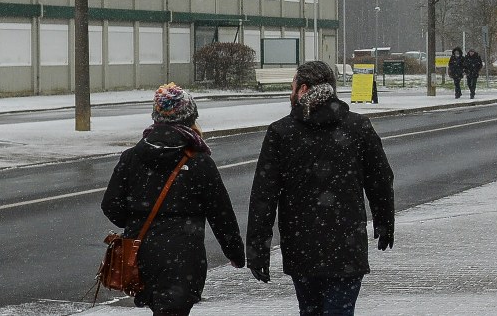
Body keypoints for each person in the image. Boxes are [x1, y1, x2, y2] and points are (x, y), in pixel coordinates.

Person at [247, 60, 395, 316]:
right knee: (340, 310)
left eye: (292, 86)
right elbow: (380, 180)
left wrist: (258, 248)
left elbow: (264, 196)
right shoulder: (357, 127)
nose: (290, 92)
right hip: (347, 246)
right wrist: (384, 222)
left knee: (310, 309)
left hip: (301, 247)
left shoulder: (281, 132)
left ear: (303, 89)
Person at [101, 83, 244, 316]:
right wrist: (235, 252)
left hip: (142, 255)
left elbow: (111, 207)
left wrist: (137, 219)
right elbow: (221, 214)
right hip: (184, 257)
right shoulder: (198, 162)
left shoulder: (132, 157)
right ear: (190, 119)